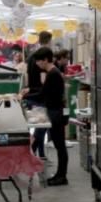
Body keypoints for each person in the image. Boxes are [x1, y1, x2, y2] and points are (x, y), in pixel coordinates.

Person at [25, 48, 69, 185]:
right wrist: (29, 91)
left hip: (57, 112)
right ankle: (60, 175)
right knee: (59, 145)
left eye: (38, 60)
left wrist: (24, 96)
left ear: (45, 60)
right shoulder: (52, 72)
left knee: (59, 145)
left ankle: (61, 176)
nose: (37, 63)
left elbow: (43, 94)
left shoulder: (53, 74)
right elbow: (44, 91)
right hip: (55, 111)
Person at [24, 31, 54, 160]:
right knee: (41, 127)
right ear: (48, 40)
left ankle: (40, 154)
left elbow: (27, 75)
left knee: (39, 127)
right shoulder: (43, 56)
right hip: (40, 96)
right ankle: (32, 152)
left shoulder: (31, 56)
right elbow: (44, 81)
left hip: (32, 94)